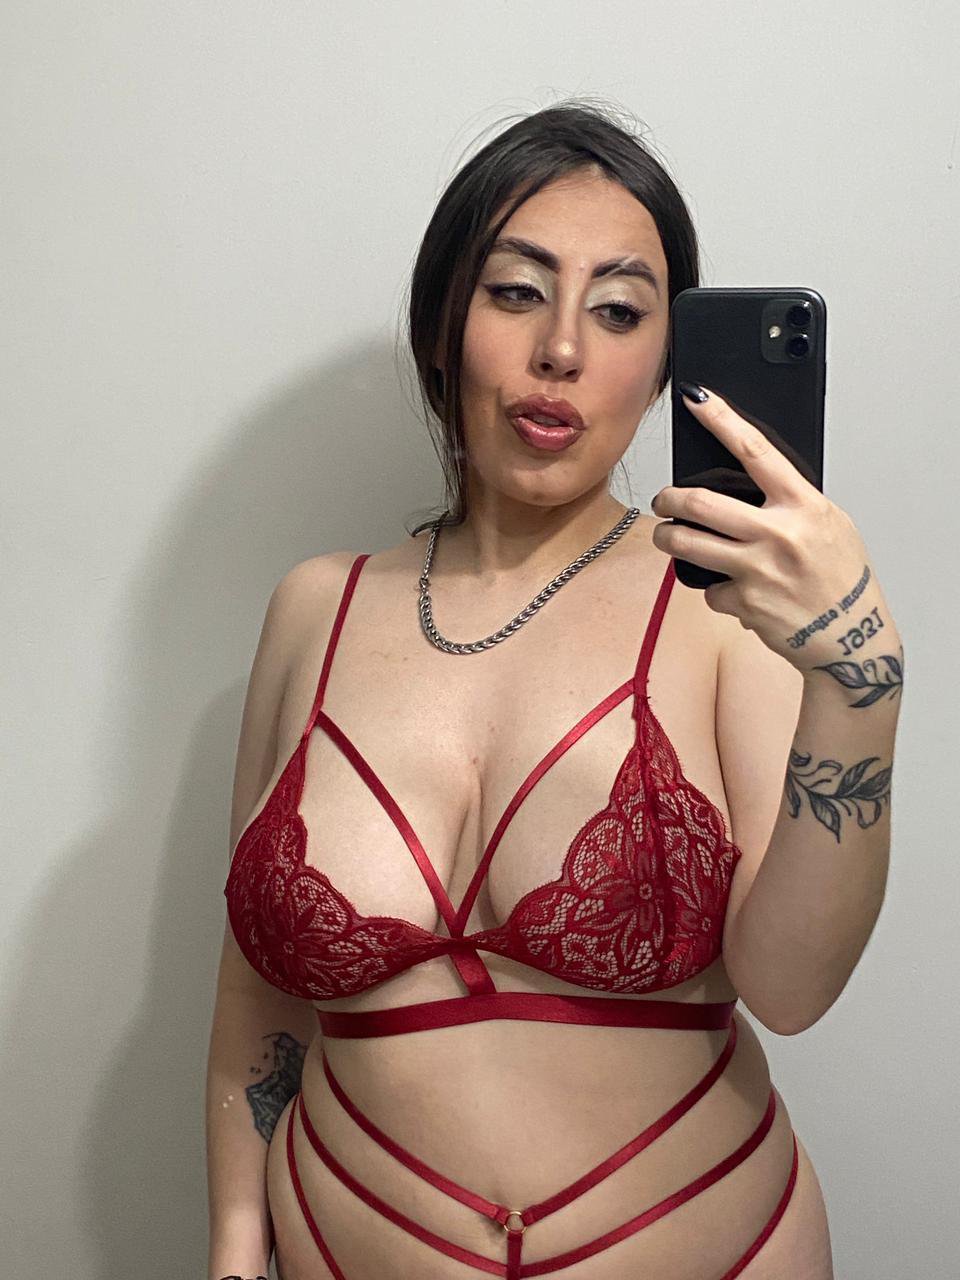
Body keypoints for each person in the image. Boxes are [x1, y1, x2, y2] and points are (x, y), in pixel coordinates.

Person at [206, 100, 902, 1280]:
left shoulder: (724, 611)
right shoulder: (313, 610)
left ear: (669, 360)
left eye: (620, 309)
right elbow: (256, 992)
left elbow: (791, 990)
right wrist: (233, 1245)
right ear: (443, 324)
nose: (563, 350)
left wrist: (860, 682)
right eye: (518, 291)